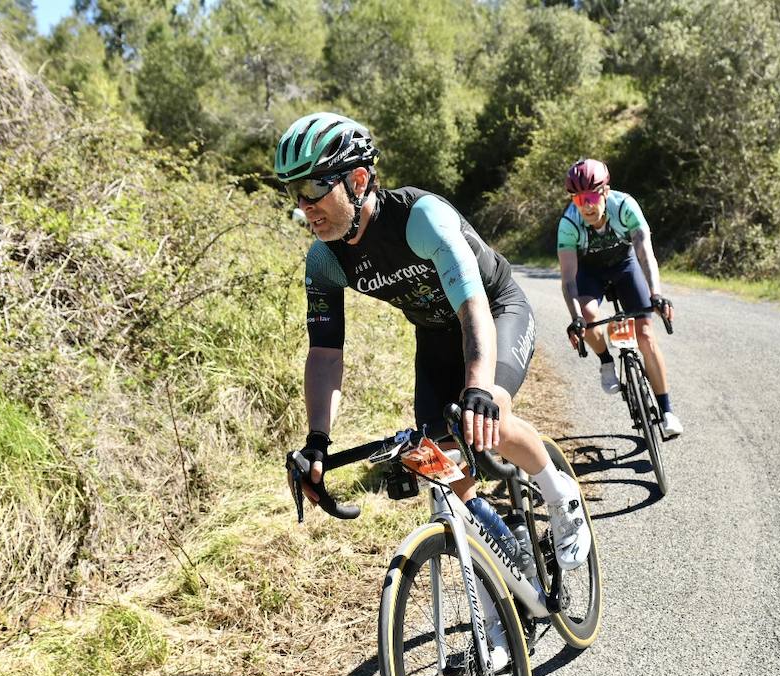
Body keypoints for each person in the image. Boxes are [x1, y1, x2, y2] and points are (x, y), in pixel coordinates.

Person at [281, 112, 590, 569]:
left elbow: (474, 311)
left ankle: (559, 493)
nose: (304, 206)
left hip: (495, 310)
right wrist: (317, 441)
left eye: (313, 189)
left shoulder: (420, 218)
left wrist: (479, 389)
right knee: (437, 463)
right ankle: (502, 556)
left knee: (489, 416)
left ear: (359, 179)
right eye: (294, 192)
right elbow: (325, 354)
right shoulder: (324, 261)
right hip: (434, 335)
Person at [556, 158, 682, 439]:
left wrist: (656, 294)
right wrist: (576, 317)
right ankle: (606, 362)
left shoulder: (624, 206)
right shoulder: (569, 224)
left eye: (590, 196)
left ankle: (667, 411)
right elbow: (567, 278)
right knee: (588, 317)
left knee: (646, 334)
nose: (586, 205)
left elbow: (644, 251)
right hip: (589, 272)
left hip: (626, 266)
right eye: (578, 199)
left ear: (605, 191)